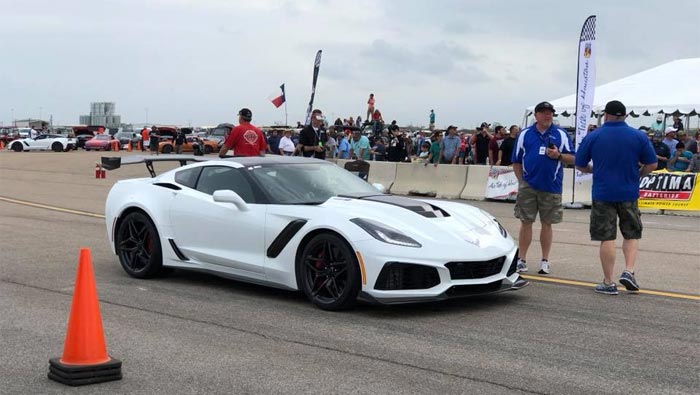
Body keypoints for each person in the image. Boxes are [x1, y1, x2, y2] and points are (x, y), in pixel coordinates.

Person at [574, 100, 657, 295]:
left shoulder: (594, 136)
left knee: (606, 237)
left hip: (603, 192)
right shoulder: (638, 136)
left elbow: (579, 164)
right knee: (632, 233)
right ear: (625, 116)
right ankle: (629, 270)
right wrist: (638, 175)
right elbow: (652, 164)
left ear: (606, 115)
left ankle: (608, 282)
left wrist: (595, 170)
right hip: (628, 191)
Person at [512, 101, 575, 275]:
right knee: (526, 222)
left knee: (547, 224)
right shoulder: (525, 134)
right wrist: (521, 182)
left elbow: (573, 158)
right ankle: (522, 259)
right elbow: (516, 160)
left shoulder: (561, 134)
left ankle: (544, 260)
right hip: (528, 187)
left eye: (550, 113)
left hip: (551, 186)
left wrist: (559, 155)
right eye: (544, 112)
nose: (548, 115)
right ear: (536, 115)